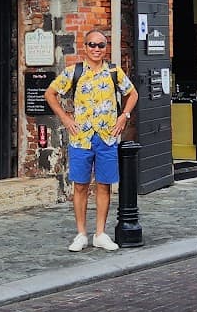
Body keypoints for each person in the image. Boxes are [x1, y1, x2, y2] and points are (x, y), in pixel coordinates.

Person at [46, 28, 138, 253]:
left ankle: (100, 233)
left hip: (106, 137)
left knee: (104, 185)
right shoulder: (74, 72)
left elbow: (132, 94)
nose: (97, 49)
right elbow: (50, 93)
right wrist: (65, 118)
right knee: (80, 186)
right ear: (84, 47)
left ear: (105, 48)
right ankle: (81, 234)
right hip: (81, 138)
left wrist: (124, 116)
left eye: (101, 45)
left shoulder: (114, 72)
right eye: (92, 45)